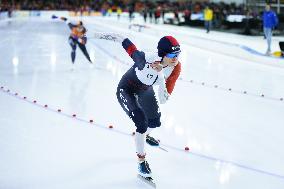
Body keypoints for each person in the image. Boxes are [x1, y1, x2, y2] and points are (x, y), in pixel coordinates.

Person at [112, 34, 181, 179]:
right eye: (172, 54)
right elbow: (121, 39)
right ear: (162, 54)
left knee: (155, 121)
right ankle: (141, 161)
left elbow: (163, 100)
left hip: (145, 89)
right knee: (141, 123)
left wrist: (161, 76)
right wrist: (91, 35)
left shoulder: (175, 67)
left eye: (178, 54)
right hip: (127, 89)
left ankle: (144, 136)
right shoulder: (145, 59)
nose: (175, 58)